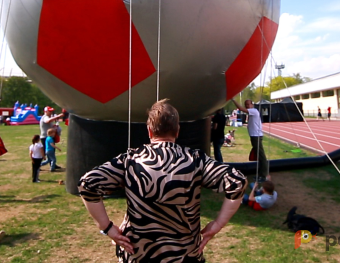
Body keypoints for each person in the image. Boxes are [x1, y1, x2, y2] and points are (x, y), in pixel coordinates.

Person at [79, 99, 246, 262]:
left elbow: (87, 184)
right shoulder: (194, 160)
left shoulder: (131, 160)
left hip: (139, 254)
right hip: (185, 255)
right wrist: (217, 225)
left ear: (149, 130)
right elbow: (237, 181)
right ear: (177, 130)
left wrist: (107, 228)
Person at [232, 99, 268, 182]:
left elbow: (241, 109)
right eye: (246, 104)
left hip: (256, 136)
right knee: (259, 156)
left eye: (248, 104)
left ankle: (263, 175)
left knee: (261, 156)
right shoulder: (252, 112)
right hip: (254, 136)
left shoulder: (254, 111)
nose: (247, 106)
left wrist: (233, 100)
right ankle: (261, 174)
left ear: (252, 104)